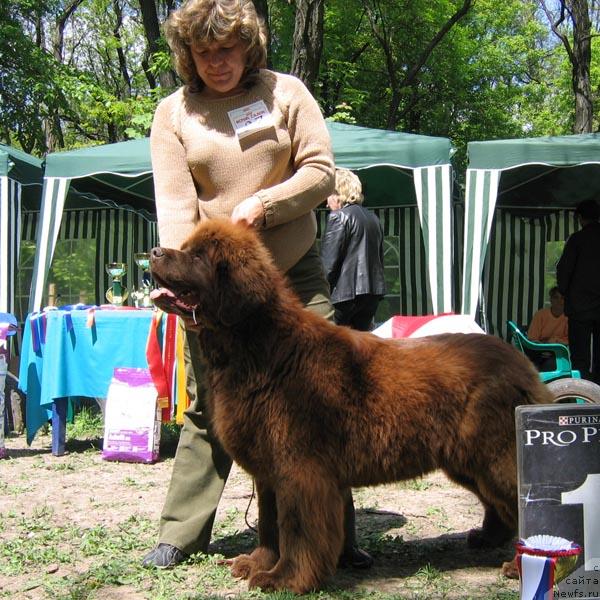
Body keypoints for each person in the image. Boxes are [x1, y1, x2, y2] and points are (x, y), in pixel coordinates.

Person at [142, 0, 371, 570]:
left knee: (321, 397)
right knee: (211, 402)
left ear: (249, 44)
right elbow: (175, 204)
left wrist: (264, 205)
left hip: (293, 271)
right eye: (204, 51)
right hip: (214, 289)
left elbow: (320, 172)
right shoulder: (173, 114)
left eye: (228, 48)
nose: (217, 61)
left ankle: (333, 538)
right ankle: (182, 531)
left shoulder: (286, 93)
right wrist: (184, 286)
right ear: (187, 54)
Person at [320, 168, 386, 331]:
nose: (327, 202)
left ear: (337, 193)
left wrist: (317, 295)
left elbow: (327, 266)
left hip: (344, 296)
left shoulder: (338, 217)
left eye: (328, 195)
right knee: (361, 346)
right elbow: (380, 260)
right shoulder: (373, 219)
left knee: (331, 345)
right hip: (372, 294)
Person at [557, 199, 600, 383]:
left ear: (580, 218)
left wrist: (565, 291)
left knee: (580, 357)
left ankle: (582, 396)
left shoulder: (577, 239)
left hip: (580, 307)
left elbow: (564, 269)